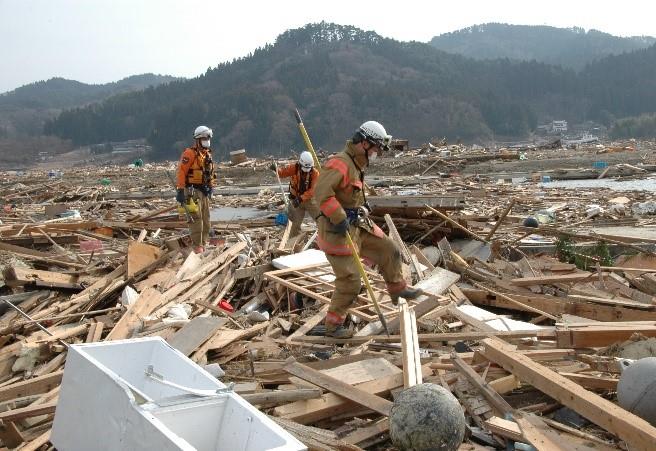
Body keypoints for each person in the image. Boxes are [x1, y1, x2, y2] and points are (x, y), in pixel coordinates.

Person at [313, 121, 421, 338]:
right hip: (337, 232)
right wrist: (339, 216)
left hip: (357, 226)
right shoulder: (340, 163)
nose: (377, 153)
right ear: (364, 143)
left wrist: (360, 206)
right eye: (376, 148)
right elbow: (322, 193)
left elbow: (349, 193)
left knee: (389, 249)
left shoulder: (356, 163)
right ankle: (333, 326)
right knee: (351, 281)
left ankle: (397, 289)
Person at [176, 125, 216, 254]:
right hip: (192, 191)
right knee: (196, 220)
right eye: (204, 138)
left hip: (204, 191)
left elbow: (209, 173)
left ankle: (203, 243)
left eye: (208, 138)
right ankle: (197, 246)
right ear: (198, 139)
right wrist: (180, 190)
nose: (207, 140)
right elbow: (181, 172)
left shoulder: (206, 154)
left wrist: (210, 188)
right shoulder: (189, 153)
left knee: (206, 220)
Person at [270, 151, 320, 237]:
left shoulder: (315, 173)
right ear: (300, 164)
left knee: (321, 220)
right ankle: (295, 244)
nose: (306, 172)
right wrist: (276, 170)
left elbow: (313, 190)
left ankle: (325, 239)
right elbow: (282, 173)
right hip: (296, 201)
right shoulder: (295, 168)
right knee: (294, 225)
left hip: (309, 200)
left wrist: (301, 198)